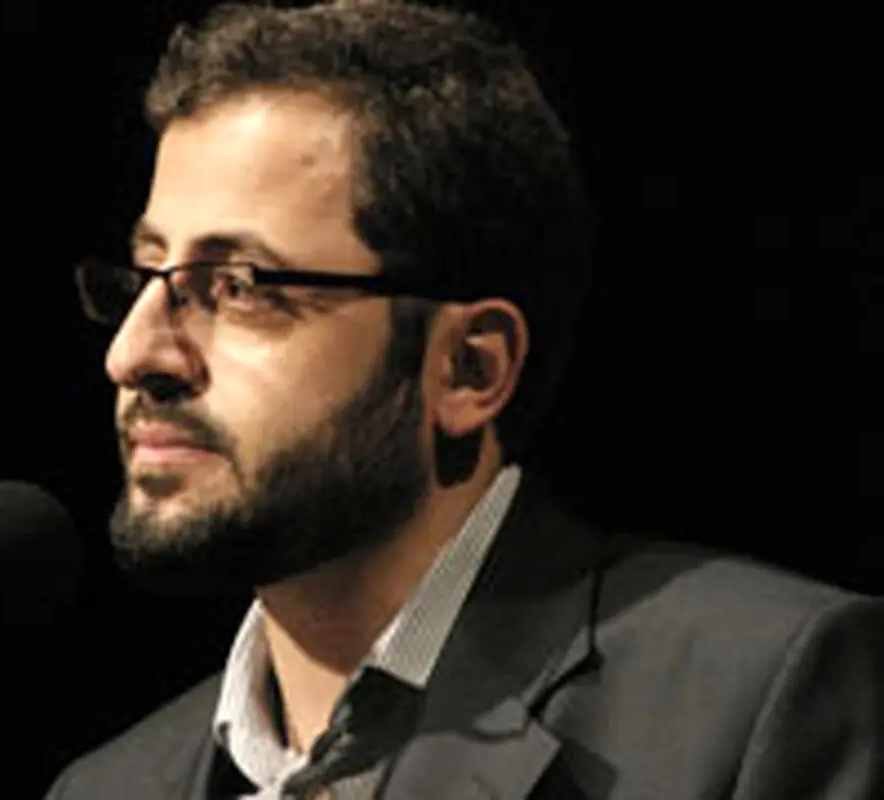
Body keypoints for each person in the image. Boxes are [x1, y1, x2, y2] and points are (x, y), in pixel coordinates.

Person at [47, 1, 883, 797]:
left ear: (468, 370)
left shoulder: (759, 698)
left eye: (237, 286)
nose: (134, 354)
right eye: (146, 274)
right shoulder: (104, 789)